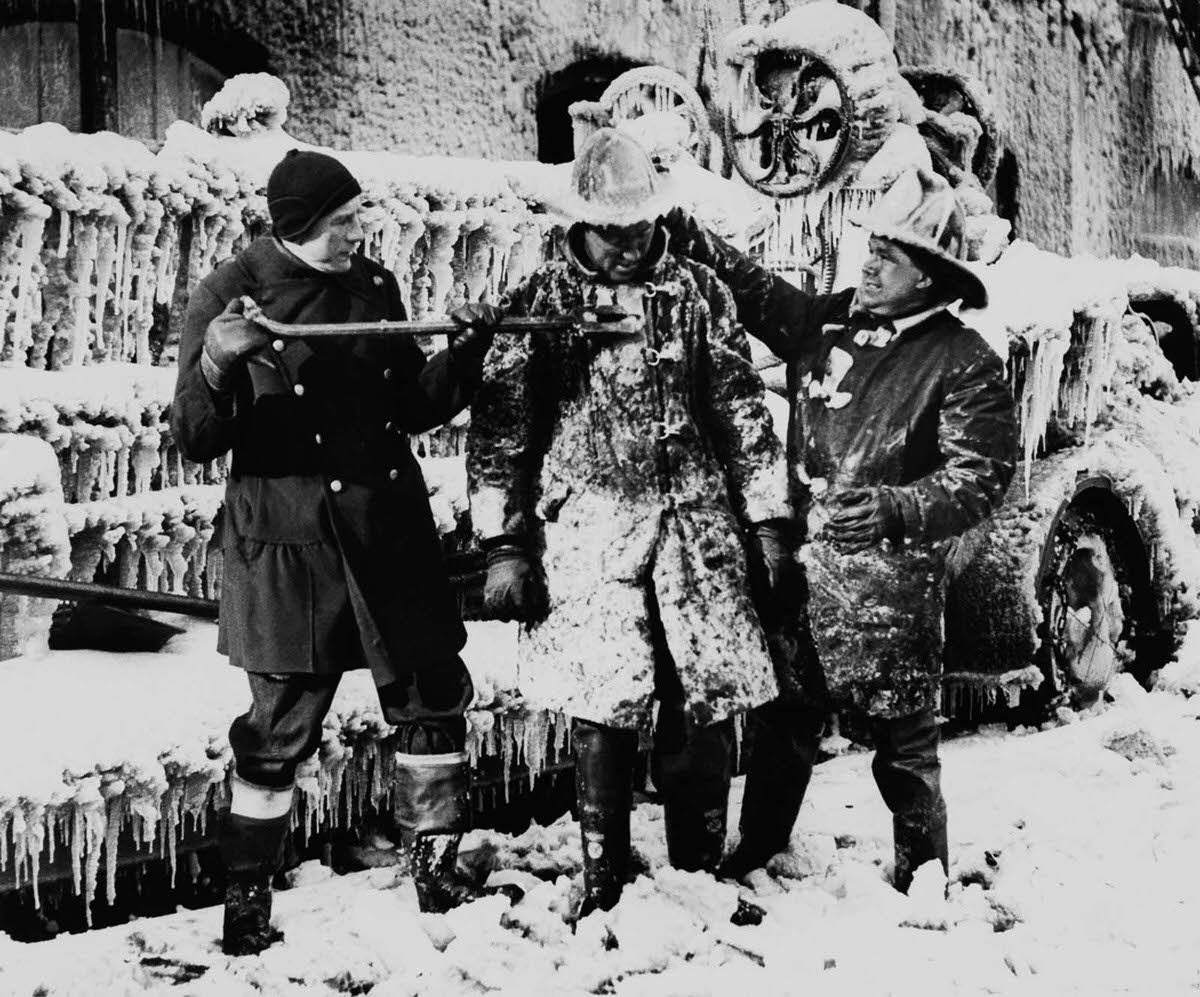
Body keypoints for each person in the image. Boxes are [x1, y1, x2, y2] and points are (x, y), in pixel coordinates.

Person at [172, 149, 497, 955]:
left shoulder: (373, 286)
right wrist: (218, 360)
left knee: (432, 696)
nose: (361, 230)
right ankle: (247, 900)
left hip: (386, 528)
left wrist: (465, 353)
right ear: (302, 226)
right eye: (344, 220)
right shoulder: (227, 293)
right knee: (277, 726)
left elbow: (413, 406)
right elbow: (193, 436)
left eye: (357, 216)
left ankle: (436, 864)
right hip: (292, 544)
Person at [465, 128, 794, 916]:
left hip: (696, 531)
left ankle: (697, 868)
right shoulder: (542, 300)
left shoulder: (699, 293)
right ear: (582, 222)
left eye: (641, 229)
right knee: (599, 700)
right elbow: (502, 432)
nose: (627, 245)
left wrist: (769, 522)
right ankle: (604, 871)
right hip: (589, 532)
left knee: (703, 695)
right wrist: (505, 546)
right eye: (612, 232)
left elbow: (742, 413)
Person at [663, 167, 1018, 892]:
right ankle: (758, 849)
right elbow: (765, 300)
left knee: (904, 744)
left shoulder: (963, 361)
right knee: (785, 724)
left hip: (887, 587)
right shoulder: (833, 322)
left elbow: (980, 475)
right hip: (801, 568)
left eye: (889, 257)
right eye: (872, 249)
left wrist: (896, 508)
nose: (870, 264)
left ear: (930, 278)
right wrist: (697, 242)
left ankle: (924, 877)